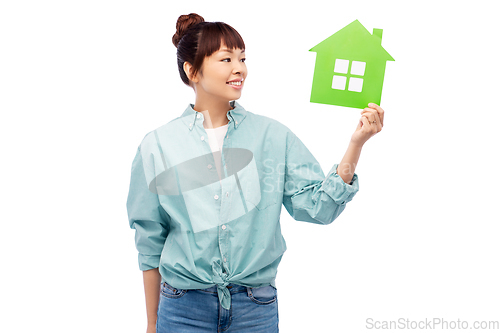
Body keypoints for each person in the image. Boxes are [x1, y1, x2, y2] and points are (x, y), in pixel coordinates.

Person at [126, 13, 384, 333]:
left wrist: (356, 145)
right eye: (226, 59)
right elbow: (150, 241)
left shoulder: (273, 137)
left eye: (242, 58)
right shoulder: (158, 145)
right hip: (182, 309)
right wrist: (152, 322)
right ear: (192, 70)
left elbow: (317, 207)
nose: (240, 68)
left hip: (255, 309)